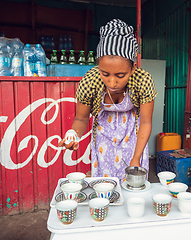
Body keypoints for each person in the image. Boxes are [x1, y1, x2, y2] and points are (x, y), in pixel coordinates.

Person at [59, 19, 157, 182]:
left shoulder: (143, 80)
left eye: (120, 76)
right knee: (105, 186)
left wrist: (136, 157)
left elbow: (146, 122)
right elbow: (81, 118)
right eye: (105, 74)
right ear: (98, 66)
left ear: (133, 68)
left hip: (133, 136)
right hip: (104, 138)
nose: (112, 83)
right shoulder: (90, 81)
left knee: (132, 188)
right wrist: (74, 134)